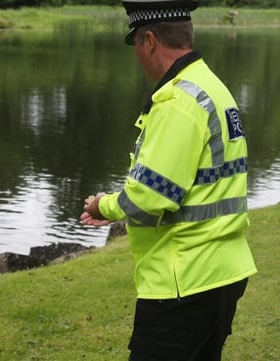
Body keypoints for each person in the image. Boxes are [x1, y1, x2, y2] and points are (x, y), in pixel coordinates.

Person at [80, 1, 257, 360]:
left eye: (135, 45)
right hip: (224, 272)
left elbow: (149, 198)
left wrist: (106, 206)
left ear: (148, 40)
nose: (137, 56)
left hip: (183, 282)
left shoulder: (178, 100)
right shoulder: (213, 87)